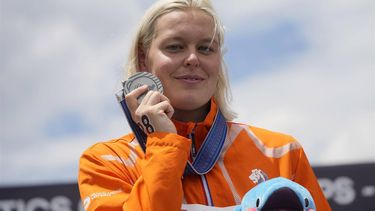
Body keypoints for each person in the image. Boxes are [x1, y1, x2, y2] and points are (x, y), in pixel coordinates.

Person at [78, 0, 331, 210]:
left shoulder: (281, 154)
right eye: (175, 47)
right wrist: (165, 144)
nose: (192, 58)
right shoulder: (107, 162)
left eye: (206, 48)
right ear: (144, 60)